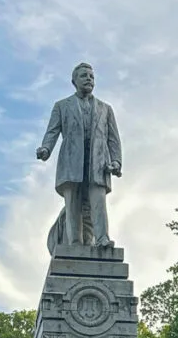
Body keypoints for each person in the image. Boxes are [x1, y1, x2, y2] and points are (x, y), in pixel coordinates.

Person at [36, 62, 122, 248]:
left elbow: (113, 138)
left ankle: (102, 239)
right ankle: (75, 244)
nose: (89, 79)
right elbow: (52, 131)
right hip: (71, 163)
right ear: (74, 81)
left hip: (98, 164)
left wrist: (116, 161)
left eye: (91, 76)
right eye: (84, 76)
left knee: (98, 204)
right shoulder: (62, 106)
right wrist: (45, 149)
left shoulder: (105, 109)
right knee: (73, 205)